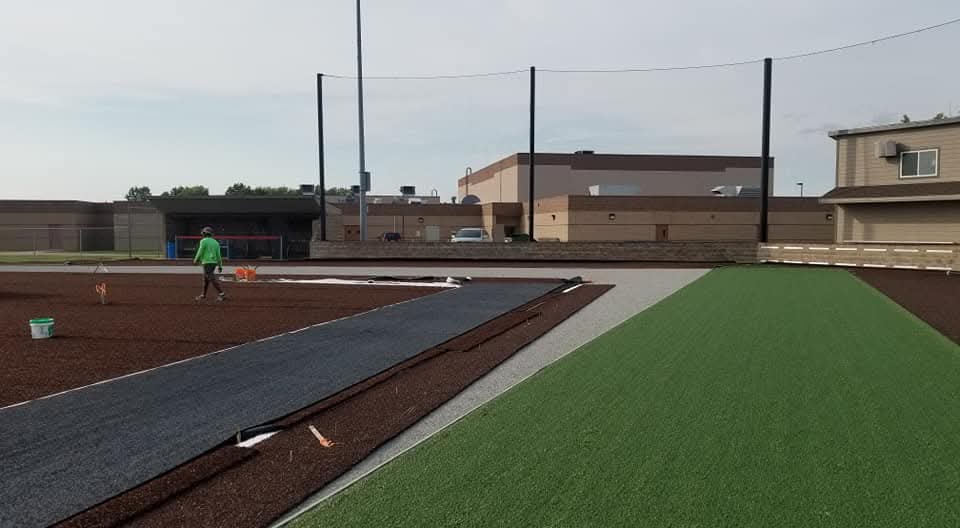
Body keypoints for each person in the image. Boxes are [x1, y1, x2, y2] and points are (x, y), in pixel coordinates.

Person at [193, 226, 226, 302]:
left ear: (204, 233)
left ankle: (221, 293)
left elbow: (200, 251)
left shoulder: (203, 241)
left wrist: (196, 259)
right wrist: (220, 266)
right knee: (206, 279)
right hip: (213, 263)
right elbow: (219, 255)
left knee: (211, 278)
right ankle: (203, 295)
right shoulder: (216, 242)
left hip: (207, 262)